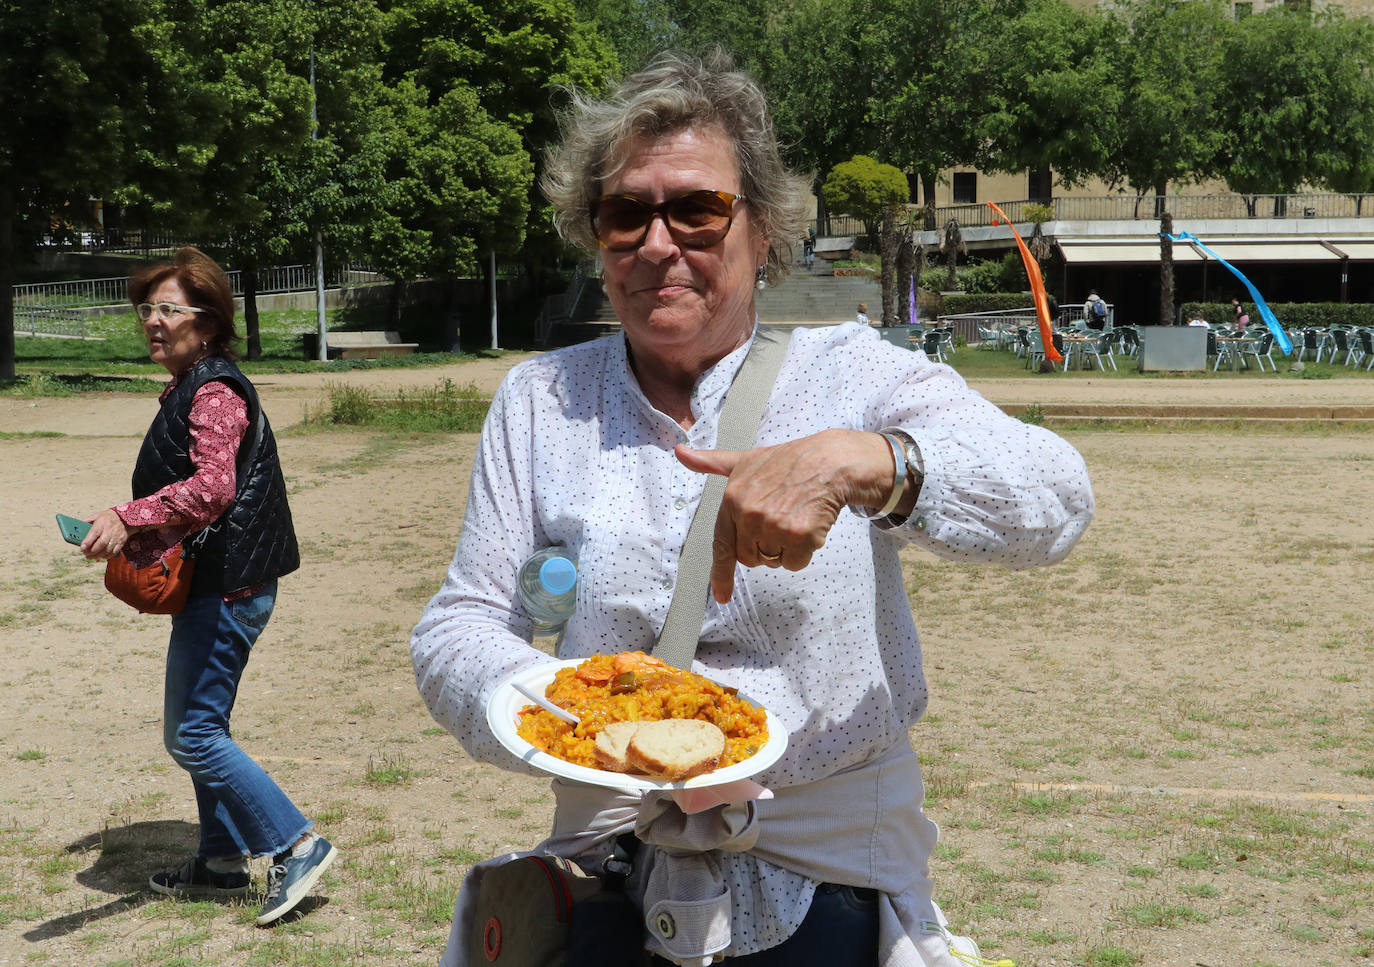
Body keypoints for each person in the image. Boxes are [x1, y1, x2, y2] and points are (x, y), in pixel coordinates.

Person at [411, 52, 1094, 967]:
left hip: (826, 892)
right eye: (626, 215)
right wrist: (546, 711)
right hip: (609, 882)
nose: (660, 244)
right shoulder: (539, 402)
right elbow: (460, 622)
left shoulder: (850, 372)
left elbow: (1056, 496)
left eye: (697, 209)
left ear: (763, 230)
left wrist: (875, 463)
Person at [79, 247, 336, 926]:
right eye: (148, 309)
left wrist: (127, 515)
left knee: (192, 734)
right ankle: (221, 860)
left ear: (208, 319)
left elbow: (211, 488)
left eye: (169, 309)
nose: (154, 322)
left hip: (229, 589)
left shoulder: (215, 389)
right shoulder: (194, 383)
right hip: (218, 584)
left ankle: (296, 844)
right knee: (204, 723)